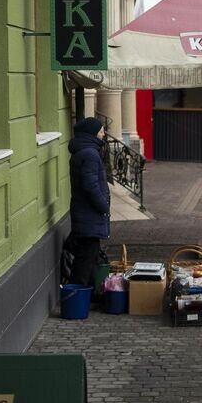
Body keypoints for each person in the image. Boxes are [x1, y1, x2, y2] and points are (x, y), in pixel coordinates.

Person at [68, 116, 110, 288]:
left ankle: (90, 294)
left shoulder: (84, 151)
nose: (104, 134)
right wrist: (104, 206)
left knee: (90, 256)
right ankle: (78, 297)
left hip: (84, 213)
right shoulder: (90, 154)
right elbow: (90, 185)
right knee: (85, 259)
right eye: (101, 131)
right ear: (92, 134)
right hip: (89, 215)